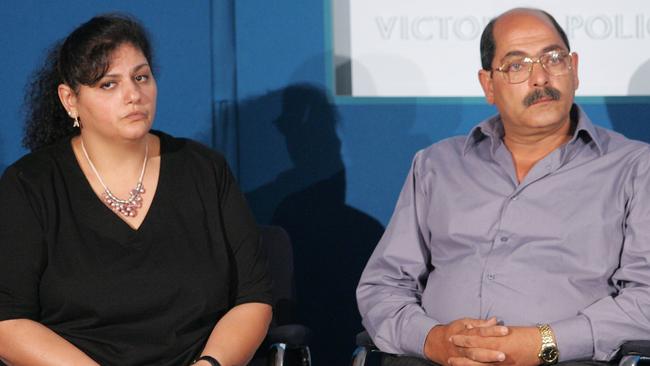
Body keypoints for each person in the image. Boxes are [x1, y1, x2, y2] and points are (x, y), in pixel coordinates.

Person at [357, 7, 650, 366]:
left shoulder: (634, 167)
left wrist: (542, 344)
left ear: (574, 68)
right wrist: (434, 340)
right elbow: (383, 286)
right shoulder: (437, 165)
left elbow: (646, 300)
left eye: (553, 58)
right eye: (516, 66)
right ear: (488, 85)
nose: (540, 78)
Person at [0, 14, 272, 366]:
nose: (133, 95)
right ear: (70, 99)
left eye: (141, 77)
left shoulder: (204, 170)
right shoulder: (30, 185)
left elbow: (254, 297)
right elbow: (8, 319)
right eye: (108, 84)